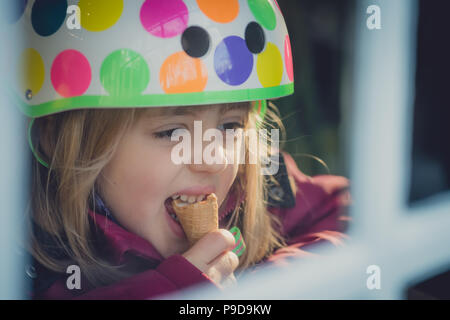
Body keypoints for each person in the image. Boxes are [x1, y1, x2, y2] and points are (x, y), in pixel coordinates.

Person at [15, 1, 351, 299]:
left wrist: (264, 286)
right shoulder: (24, 262)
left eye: (230, 126)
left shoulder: (254, 181)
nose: (214, 160)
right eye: (173, 132)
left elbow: (352, 216)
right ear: (62, 146)